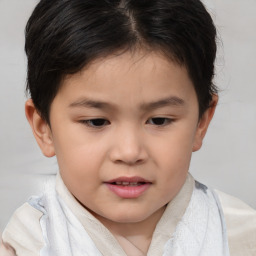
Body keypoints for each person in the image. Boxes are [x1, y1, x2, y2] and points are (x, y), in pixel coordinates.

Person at [1, 0, 256, 255]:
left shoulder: (239, 234)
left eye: (159, 120)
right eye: (96, 121)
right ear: (43, 127)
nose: (130, 152)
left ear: (202, 121)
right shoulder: (29, 243)